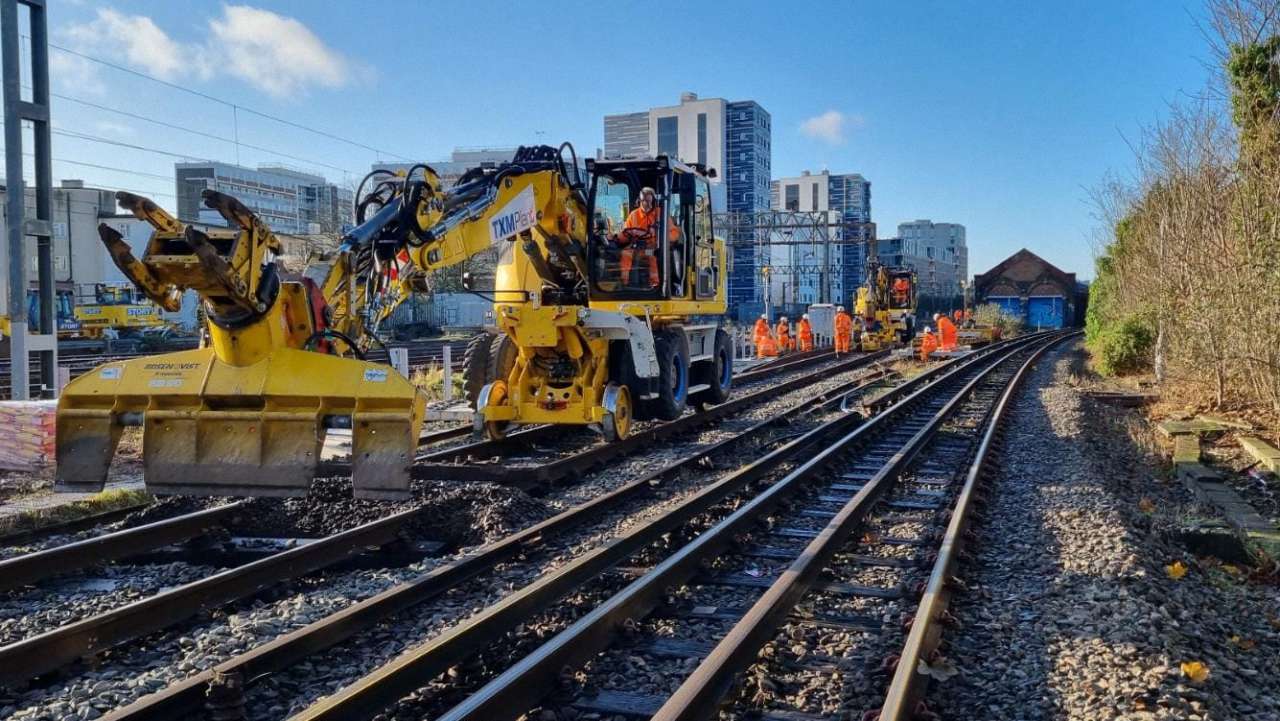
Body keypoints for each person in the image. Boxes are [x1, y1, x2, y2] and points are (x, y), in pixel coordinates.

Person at [620, 187, 678, 288]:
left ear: (654, 201)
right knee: (625, 253)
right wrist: (616, 237)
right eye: (644, 201)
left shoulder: (661, 214)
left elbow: (674, 233)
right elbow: (625, 233)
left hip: (654, 247)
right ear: (639, 201)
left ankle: (655, 284)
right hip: (637, 248)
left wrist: (659, 235)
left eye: (649, 201)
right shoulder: (633, 215)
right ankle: (625, 282)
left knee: (653, 255)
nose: (647, 204)